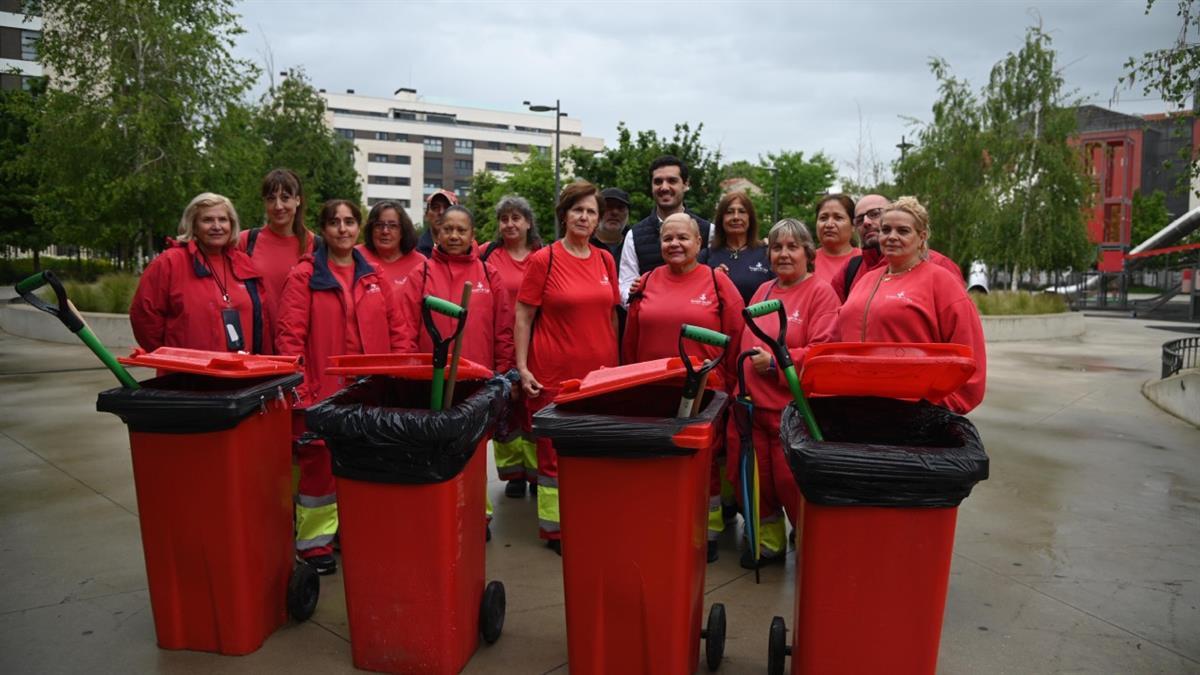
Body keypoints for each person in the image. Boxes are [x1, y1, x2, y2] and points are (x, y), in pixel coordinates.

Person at [276, 199, 407, 575]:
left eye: (350, 222)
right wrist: (299, 388)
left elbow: (398, 333)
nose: (343, 229)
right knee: (319, 464)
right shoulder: (304, 276)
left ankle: (354, 531)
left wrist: (395, 380)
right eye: (334, 223)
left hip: (368, 388)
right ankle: (315, 543)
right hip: (323, 386)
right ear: (324, 229)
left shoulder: (374, 276)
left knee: (365, 460)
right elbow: (290, 337)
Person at [623, 212, 745, 562]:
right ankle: (663, 524)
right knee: (658, 462)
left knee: (702, 464)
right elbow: (632, 339)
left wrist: (733, 387)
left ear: (698, 244)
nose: (674, 244)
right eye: (667, 239)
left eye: (682, 238)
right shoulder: (644, 282)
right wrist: (632, 384)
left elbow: (735, 337)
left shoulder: (717, 283)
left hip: (707, 392)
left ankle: (705, 533)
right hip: (654, 389)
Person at [514, 180, 620, 554]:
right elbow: (524, 315)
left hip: (600, 375)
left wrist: (617, 368)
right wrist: (522, 367)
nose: (585, 217)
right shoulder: (544, 259)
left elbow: (610, 316)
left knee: (593, 450)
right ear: (564, 215)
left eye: (591, 212)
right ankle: (556, 529)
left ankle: (589, 516)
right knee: (554, 455)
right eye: (578, 210)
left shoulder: (606, 259)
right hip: (554, 373)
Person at [734, 218, 840, 569]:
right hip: (753, 411)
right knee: (759, 485)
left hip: (789, 413)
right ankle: (767, 545)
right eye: (777, 247)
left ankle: (816, 550)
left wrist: (779, 364)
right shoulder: (763, 291)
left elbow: (823, 351)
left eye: (792, 247)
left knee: (790, 484)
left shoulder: (820, 293)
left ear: (808, 253)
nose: (783, 254)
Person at [838, 197, 986, 414]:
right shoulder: (866, 280)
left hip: (914, 416)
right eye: (886, 230)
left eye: (903, 231)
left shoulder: (941, 281)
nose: (892, 237)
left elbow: (970, 363)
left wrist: (933, 409)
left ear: (922, 237)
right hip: (858, 412)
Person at [131, 193, 272, 354]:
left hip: (240, 373)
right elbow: (144, 317)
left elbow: (261, 321)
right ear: (193, 225)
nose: (217, 226)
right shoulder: (170, 262)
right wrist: (171, 356)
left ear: (232, 225)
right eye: (207, 220)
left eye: (223, 219)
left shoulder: (244, 263)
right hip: (186, 374)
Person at [479, 195, 542, 498]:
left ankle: (534, 472)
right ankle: (513, 473)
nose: (510, 224)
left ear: (529, 222)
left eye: (516, 218)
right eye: (504, 219)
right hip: (498, 342)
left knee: (531, 409)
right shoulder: (487, 254)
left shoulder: (542, 256)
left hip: (536, 343)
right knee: (505, 410)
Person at [618, 155, 713, 303]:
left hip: (697, 321)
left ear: (686, 184)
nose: (664, 187)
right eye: (657, 182)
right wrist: (647, 307)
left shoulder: (709, 231)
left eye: (672, 181)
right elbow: (625, 285)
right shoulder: (634, 236)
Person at [837, 193, 963, 302]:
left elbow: (961, 324)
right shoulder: (850, 270)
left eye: (874, 214)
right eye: (859, 220)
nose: (866, 222)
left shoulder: (940, 265)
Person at [238, 169, 314, 314]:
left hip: (299, 335)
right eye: (271, 199)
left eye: (285, 198)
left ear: (297, 200)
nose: (278, 206)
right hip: (255, 334)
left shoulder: (316, 246)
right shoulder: (245, 241)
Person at [700, 191, 774, 304]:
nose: (736, 217)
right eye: (729, 212)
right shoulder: (706, 256)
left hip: (757, 320)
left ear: (750, 219)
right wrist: (713, 280)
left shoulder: (767, 254)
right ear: (721, 219)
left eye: (742, 212)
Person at [355, 199, 425, 314]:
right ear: (370, 229)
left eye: (393, 226)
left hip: (407, 331)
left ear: (403, 231)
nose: (385, 231)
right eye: (379, 225)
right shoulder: (356, 256)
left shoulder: (420, 263)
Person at [811, 194, 861, 286]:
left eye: (838, 218)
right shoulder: (805, 261)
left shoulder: (865, 261)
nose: (829, 224)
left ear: (853, 225)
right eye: (823, 218)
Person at [415, 189, 459, 258]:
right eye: (435, 207)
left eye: (447, 208)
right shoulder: (415, 250)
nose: (441, 212)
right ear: (426, 215)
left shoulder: (468, 251)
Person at [590, 187, 630, 260]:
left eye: (620, 208)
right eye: (608, 206)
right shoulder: (583, 244)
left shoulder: (635, 243)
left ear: (628, 214)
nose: (615, 212)